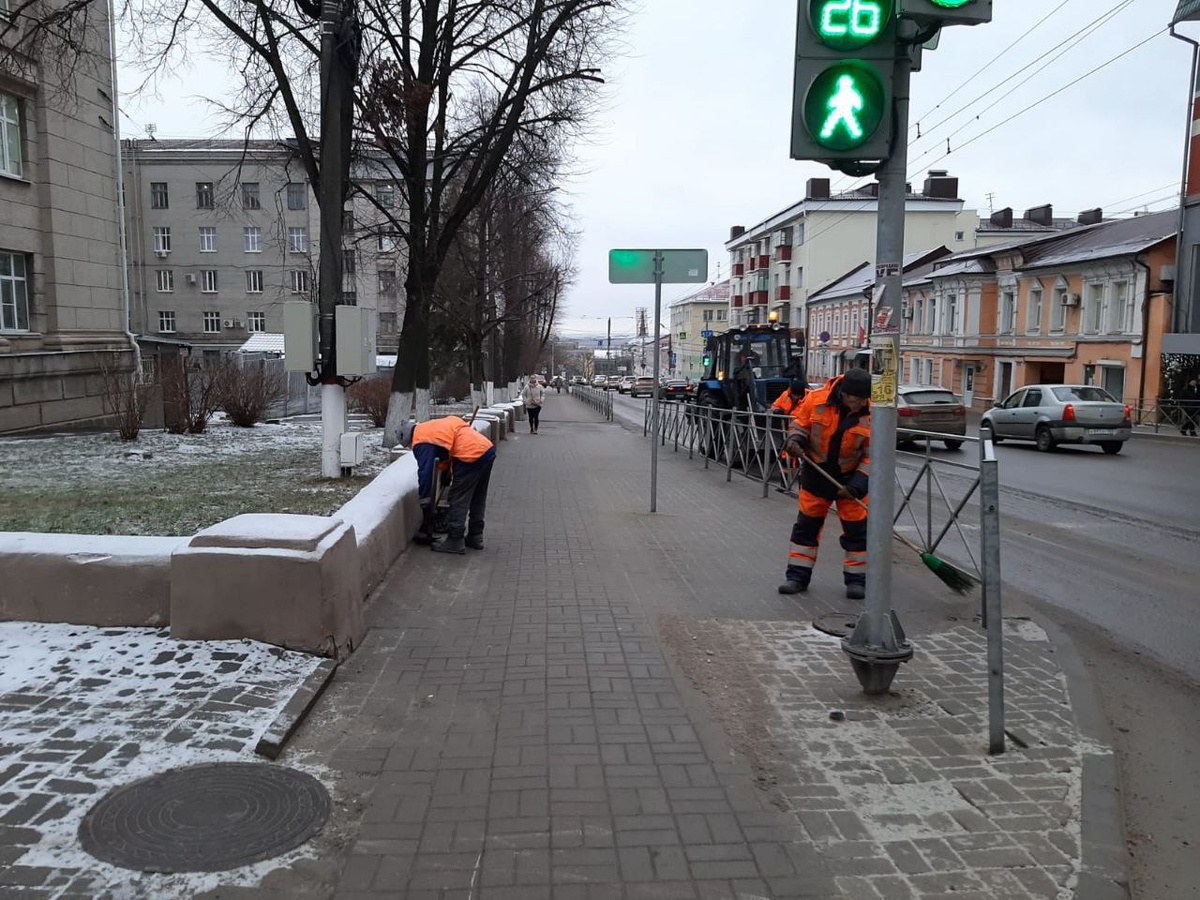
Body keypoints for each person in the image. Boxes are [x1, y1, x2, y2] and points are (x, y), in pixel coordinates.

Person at [778, 367, 872, 600]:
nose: (859, 404)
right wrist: (795, 439)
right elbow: (800, 424)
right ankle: (797, 577)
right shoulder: (816, 399)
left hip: (851, 479)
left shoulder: (873, 412)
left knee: (857, 532)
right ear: (844, 394)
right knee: (806, 528)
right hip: (817, 473)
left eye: (863, 400)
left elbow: (874, 456)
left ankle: (856, 581)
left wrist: (857, 486)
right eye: (856, 400)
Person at [401, 416, 495, 554]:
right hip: (486, 450)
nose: (411, 448)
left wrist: (426, 502)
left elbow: (426, 472)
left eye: (409, 446)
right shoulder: (433, 427)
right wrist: (446, 473)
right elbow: (445, 450)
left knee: (457, 498)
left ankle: (455, 540)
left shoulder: (420, 440)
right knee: (477, 497)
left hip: (470, 455)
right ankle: (476, 536)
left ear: (408, 439)